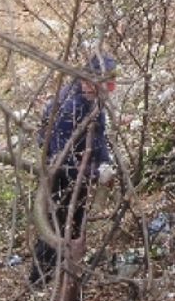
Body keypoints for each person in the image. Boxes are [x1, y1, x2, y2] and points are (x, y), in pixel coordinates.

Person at [29, 54, 117, 287]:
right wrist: (94, 173)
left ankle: (65, 277)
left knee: (74, 225)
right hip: (59, 177)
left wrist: (105, 163)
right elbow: (61, 160)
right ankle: (39, 283)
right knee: (57, 227)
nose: (109, 88)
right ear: (89, 80)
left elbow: (98, 137)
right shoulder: (68, 108)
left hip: (81, 171)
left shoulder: (94, 101)